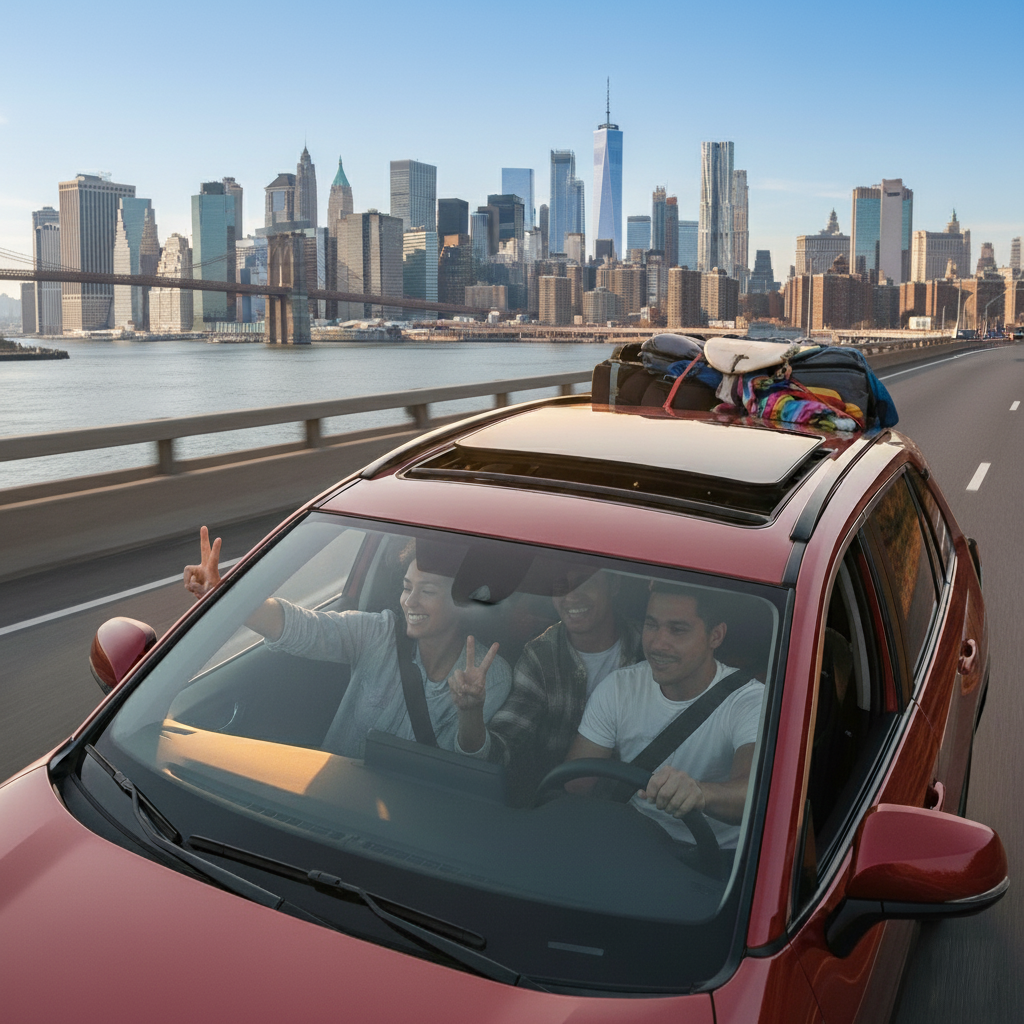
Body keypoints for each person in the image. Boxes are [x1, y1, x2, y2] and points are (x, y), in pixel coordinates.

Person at [184, 526, 512, 759]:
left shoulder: (490, 676)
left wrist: (471, 712)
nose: (409, 601)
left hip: (412, 824)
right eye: (406, 586)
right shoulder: (377, 634)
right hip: (336, 800)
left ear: (461, 603)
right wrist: (227, 597)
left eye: (426, 592)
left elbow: (467, 764)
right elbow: (303, 628)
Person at [566, 582, 762, 850]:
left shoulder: (749, 701)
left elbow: (754, 792)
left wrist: (700, 793)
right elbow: (575, 785)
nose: (657, 643)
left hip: (718, 859)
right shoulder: (619, 688)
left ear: (715, 636)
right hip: (634, 842)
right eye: (651, 625)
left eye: (677, 630)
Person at [453, 564, 643, 803]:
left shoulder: (647, 649)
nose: (571, 596)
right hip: (557, 807)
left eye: (586, 583)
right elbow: (505, 750)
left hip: (636, 811)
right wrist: (470, 713)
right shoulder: (541, 657)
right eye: (561, 586)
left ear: (614, 586)